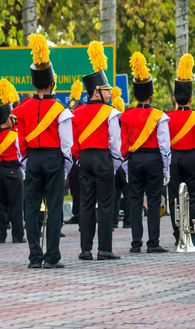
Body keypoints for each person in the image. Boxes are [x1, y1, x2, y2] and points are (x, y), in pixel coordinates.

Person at [13, 34, 73, 269]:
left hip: (33, 159)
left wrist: (27, 161)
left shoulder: (22, 108)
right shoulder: (60, 109)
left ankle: (34, 258)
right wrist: (64, 167)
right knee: (55, 208)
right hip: (54, 158)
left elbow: (20, 142)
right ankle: (52, 257)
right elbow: (67, 144)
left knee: (31, 208)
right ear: (52, 83)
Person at [71, 41, 122, 261]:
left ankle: (85, 250)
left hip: (84, 159)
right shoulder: (110, 112)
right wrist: (116, 163)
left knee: (86, 204)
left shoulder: (77, 112)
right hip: (103, 158)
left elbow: (73, 141)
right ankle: (104, 249)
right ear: (97, 92)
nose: (110, 93)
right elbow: (115, 142)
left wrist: (79, 158)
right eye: (106, 90)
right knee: (107, 203)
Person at [120, 52, 171, 254]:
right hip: (153, 158)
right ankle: (153, 243)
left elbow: (122, 145)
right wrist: (166, 169)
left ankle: (135, 244)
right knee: (153, 199)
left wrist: (126, 166)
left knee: (134, 200)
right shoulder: (159, 115)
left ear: (134, 95)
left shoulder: (126, 115)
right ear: (151, 95)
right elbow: (165, 146)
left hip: (134, 159)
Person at [0, 79, 25, 244]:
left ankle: (0, 236)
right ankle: (17, 236)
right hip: (13, 168)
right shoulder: (15, 135)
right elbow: (21, 153)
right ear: (7, 119)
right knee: (16, 205)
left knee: (0, 204)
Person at [167, 53, 195, 246]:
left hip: (174, 157)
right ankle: (192, 234)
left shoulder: (167, 117)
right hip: (193, 156)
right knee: (192, 196)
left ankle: (179, 235)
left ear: (174, 97)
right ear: (191, 98)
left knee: (175, 197)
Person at [110, 88, 131, 229]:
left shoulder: (110, 121)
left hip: (114, 161)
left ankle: (113, 221)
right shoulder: (126, 122)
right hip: (125, 160)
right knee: (128, 194)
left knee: (114, 194)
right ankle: (128, 221)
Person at [65, 80, 84, 225]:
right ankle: (76, 214)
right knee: (74, 189)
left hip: (81, 157)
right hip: (72, 158)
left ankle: (83, 215)